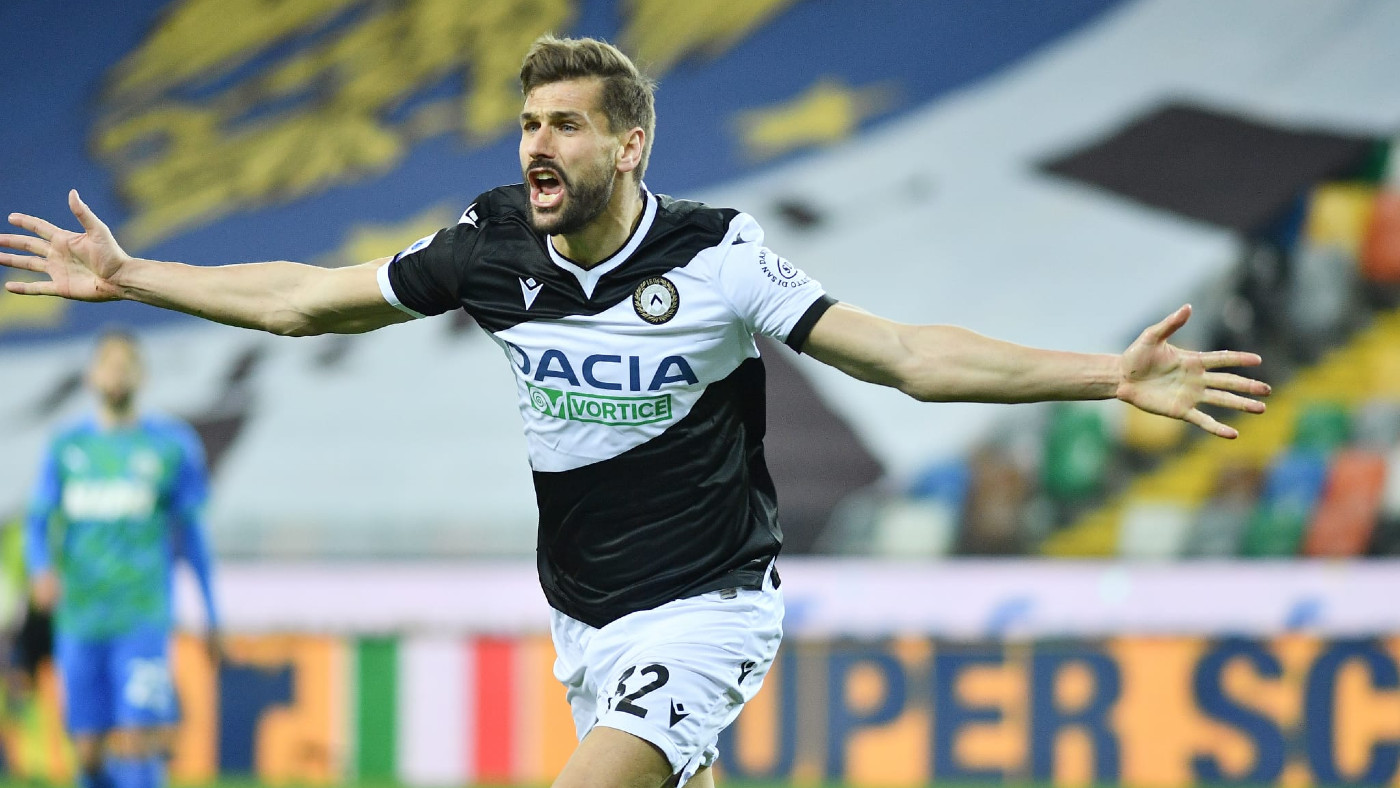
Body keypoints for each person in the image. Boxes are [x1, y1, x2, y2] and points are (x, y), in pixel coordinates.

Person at [0, 35, 1267, 788]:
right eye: (525, 124)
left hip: (707, 605)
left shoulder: (717, 256)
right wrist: (132, 275)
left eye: (564, 125)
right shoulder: (488, 244)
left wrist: (1104, 374)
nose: (535, 146)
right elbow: (301, 301)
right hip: (584, 611)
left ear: (630, 145)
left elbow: (901, 354)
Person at [19, 330, 221, 788]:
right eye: (108, 364)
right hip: (81, 616)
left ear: (143, 376)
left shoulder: (171, 446)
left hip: (141, 613)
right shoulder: (67, 446)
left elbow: (192, 537)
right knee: (89, 752)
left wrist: (211, 614)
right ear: (91, 375)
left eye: (126, 364)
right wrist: (40, 569)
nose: (117, 373)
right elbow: (37, 521)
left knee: (139, 737)